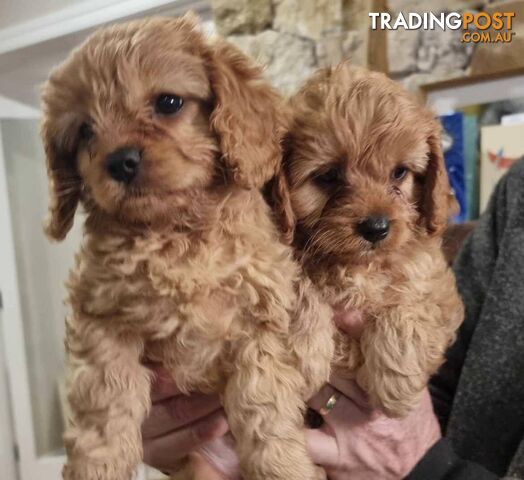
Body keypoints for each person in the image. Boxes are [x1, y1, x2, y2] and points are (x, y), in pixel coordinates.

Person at [142, 160, 524, 479]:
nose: (374, 211)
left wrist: (427, 466)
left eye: (397, 175)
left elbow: (432, 316)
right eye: (328, 178)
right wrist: (192, 427)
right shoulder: (517, 193)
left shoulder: (413, 256)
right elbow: (447, 374)